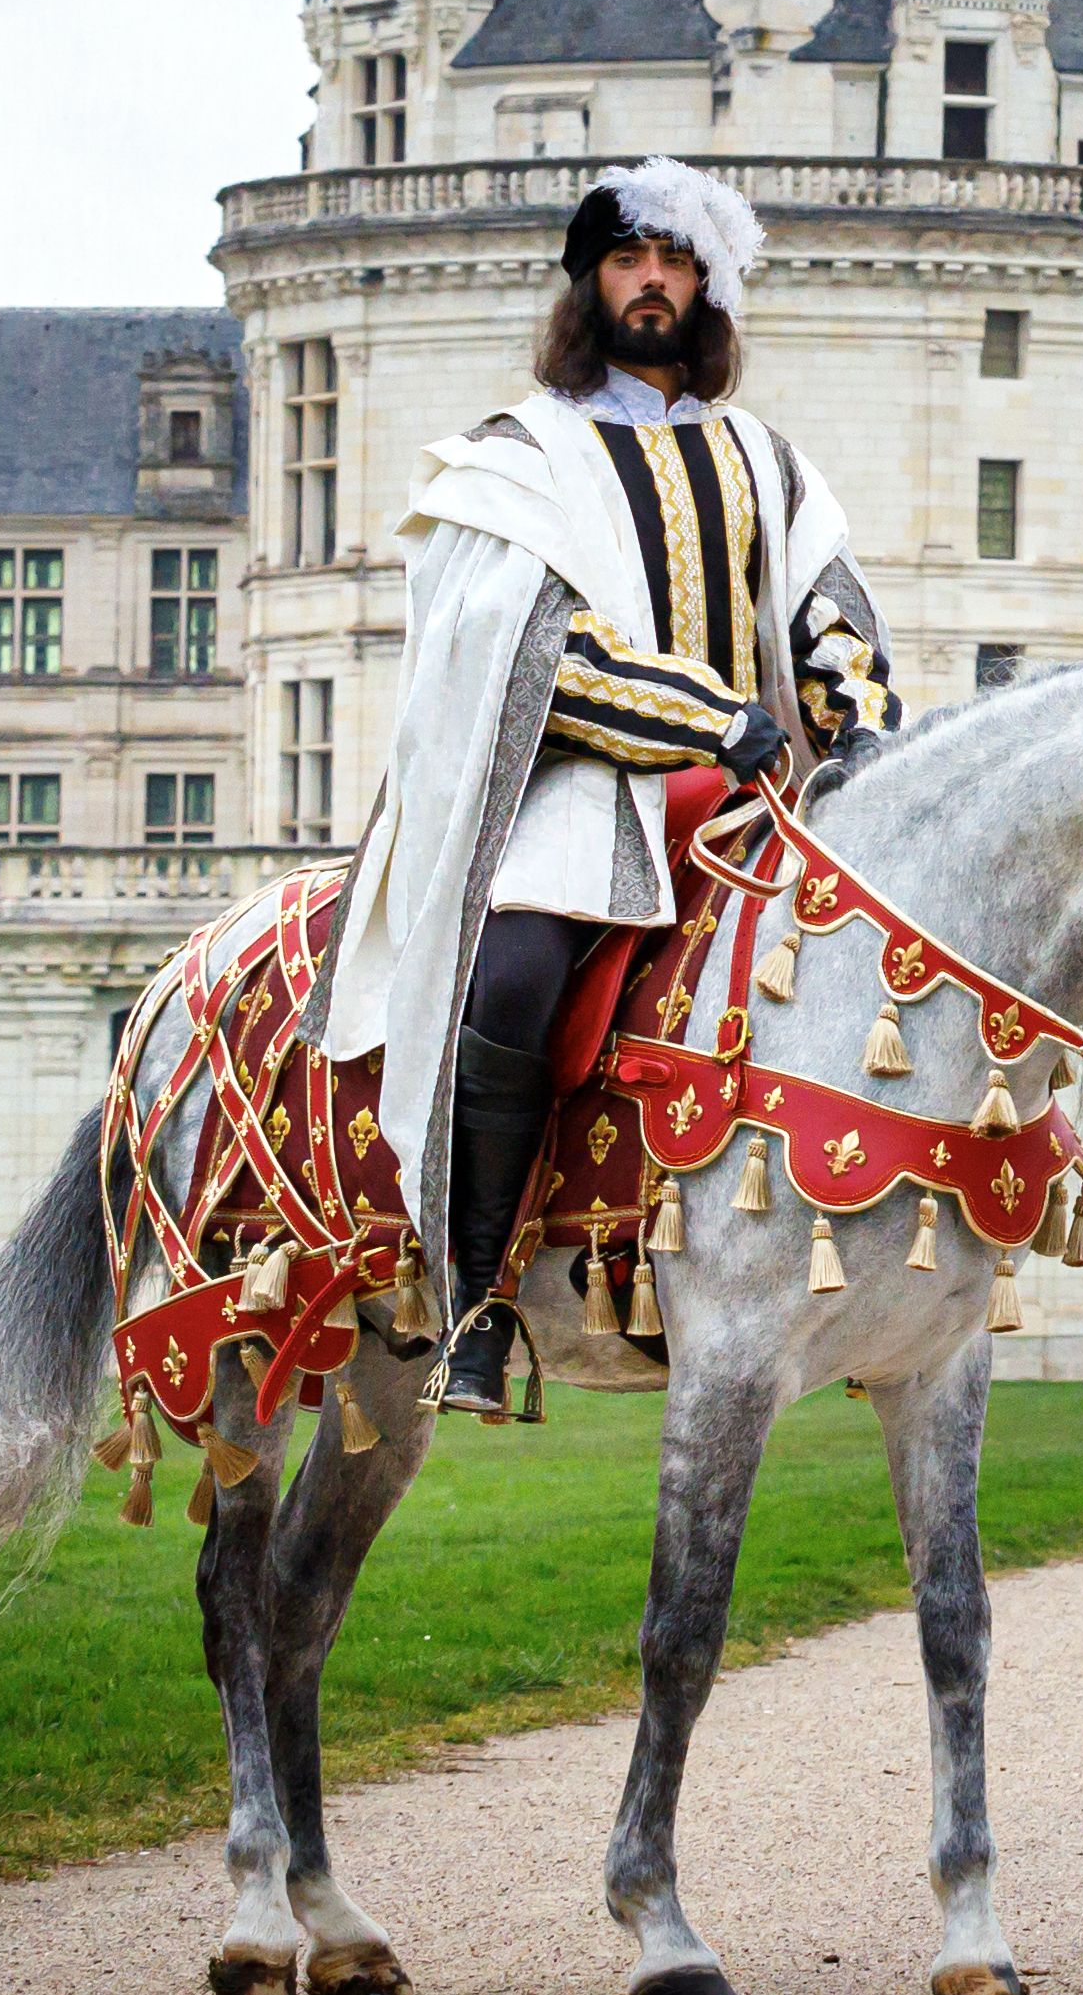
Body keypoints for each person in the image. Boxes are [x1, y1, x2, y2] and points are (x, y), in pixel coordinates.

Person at [316, 160, 899, 1419]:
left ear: (705, 288)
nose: (652, 281)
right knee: (517, 973)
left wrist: (856, 723)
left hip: (758, 789)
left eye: (675, 262)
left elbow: (830, 609)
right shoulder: (517, 457)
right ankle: (475, 1299)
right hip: (579, 790)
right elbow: (535, 654)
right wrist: (710, 717)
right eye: (630, 259)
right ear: (591, 283)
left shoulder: (763, 459)